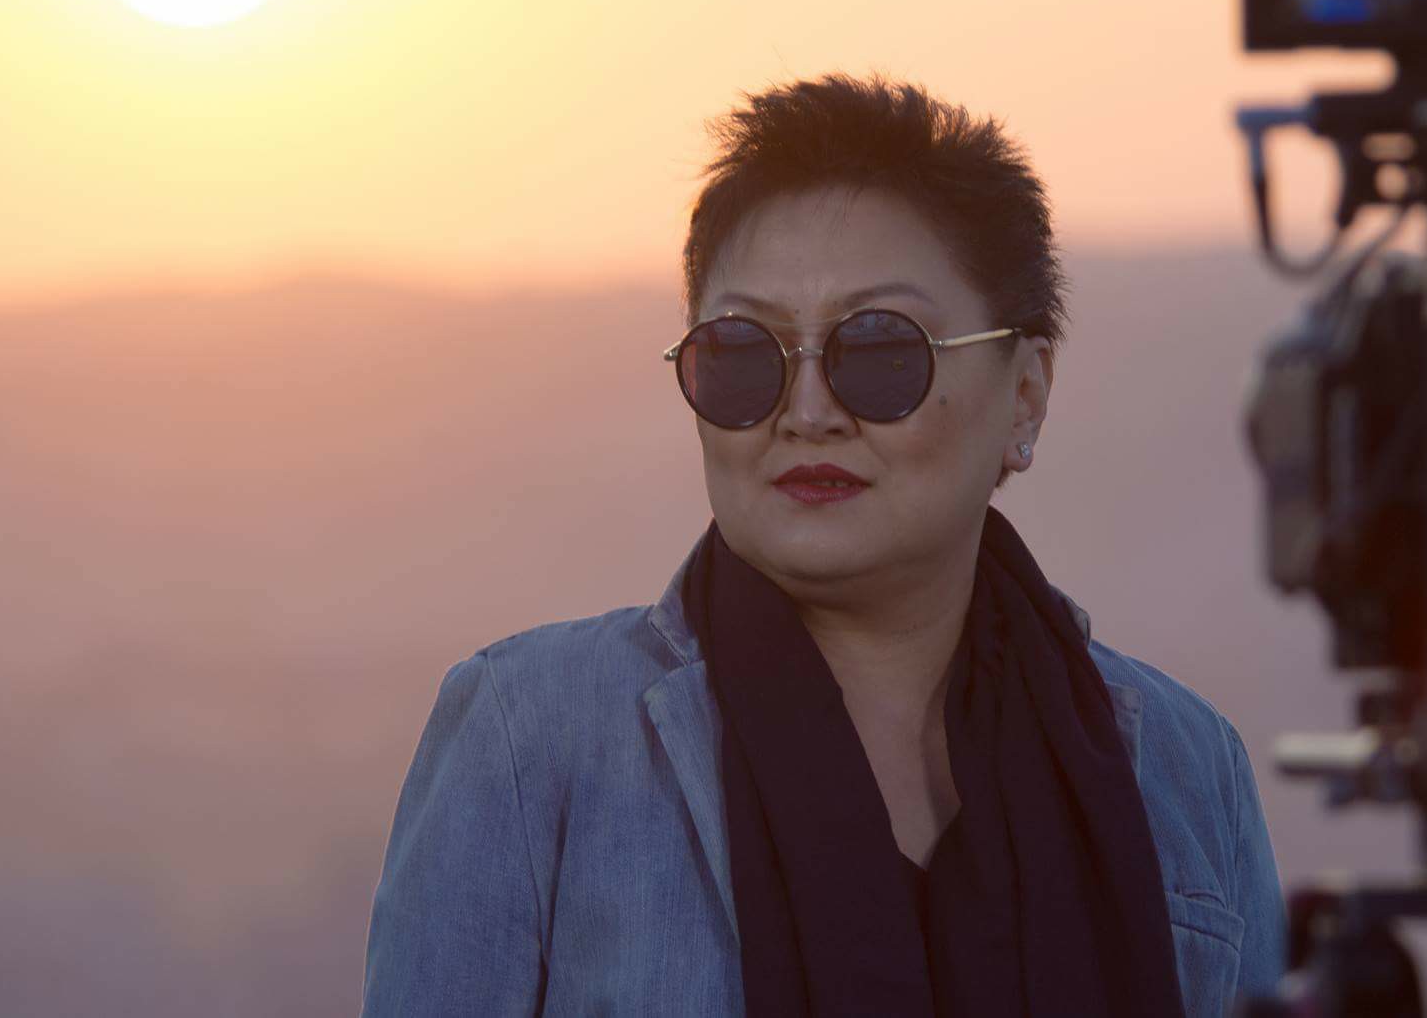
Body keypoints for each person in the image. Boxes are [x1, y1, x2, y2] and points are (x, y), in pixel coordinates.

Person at [360, 73, 1287, 1017]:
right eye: (743, 353)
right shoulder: (533, 740)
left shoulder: (1182, 767)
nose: (807, 412)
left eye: (880, 350)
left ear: (1026, 393)